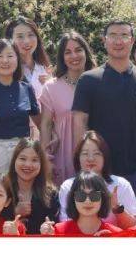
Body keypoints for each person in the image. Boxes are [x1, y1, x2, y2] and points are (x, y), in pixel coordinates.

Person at [71, 20, 136, 194]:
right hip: (96, 167)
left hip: (135, 166)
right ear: (104, 41)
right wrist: (82, 159)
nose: (118, 41)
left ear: (132, 41)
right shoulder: (88, 80)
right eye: (113, 35)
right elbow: (80, 121)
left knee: (133, 211)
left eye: (124, 36)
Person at [0, 39, 41, 175]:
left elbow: (39, 120)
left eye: (10, 56)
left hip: (22, 152)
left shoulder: (27, 88)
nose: (5, 60)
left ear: (17, 60)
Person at [39, 31, 96, 183]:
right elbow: (45, 124)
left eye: (78, 50)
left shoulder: (98, 83)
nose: (74, 56)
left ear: (86, 52)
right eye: (68, 52)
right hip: (62, 154)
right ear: (62, 57)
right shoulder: (51, 87)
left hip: (93, 153)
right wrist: (45, 158)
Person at [56, 131, 136, 228]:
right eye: (85, 154)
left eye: (97, 153)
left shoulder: (121, 184)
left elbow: (133, 226)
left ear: (105, 157)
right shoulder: (68, 186)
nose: (91, 159)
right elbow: (65, 224)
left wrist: (117, 208)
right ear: (78, 158)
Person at [41, 171, 124, 236]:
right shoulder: (58, 231)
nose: (87, 201)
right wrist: (47, 238)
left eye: (94, 195)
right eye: (81, 195)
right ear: (73, 199)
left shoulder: (115, 234)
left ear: (103, 199)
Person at [7, 138, 60, 235]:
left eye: (34, 160)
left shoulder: (51, 194)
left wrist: (49, 230)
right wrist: (15, 212)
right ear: (14, 160)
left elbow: (56, 226)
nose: (28, 164)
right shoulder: (3, 189)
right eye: (23, 159)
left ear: (41, 164)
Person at [4, 16, 51, 96]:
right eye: (20, 36)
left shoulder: (44, 69)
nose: (26, 41)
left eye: (30, 35)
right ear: (10, 40)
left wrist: (52, 85)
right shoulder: (6, 71)